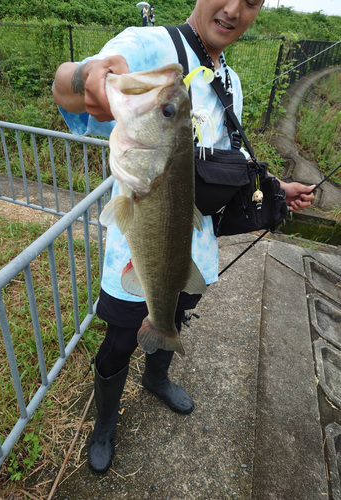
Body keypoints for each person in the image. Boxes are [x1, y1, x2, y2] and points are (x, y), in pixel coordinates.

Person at [53, 0, 315, 474]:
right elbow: (71, 87)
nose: (234, 9)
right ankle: (105, 423)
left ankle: (157, 376)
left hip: (195, 249)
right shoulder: (149, 47)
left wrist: (276, 187)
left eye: (252, 1)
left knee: (173, 315)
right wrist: (85, 77)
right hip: (135, 255)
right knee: (117, 342)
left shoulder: (228, 79)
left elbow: (227, 156)